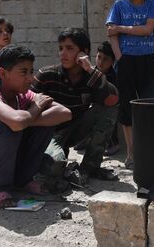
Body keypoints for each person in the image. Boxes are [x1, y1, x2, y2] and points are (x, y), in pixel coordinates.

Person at [0, 44, 72, 208]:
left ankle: (22, 180)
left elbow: (64, 113)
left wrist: (27, 119)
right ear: (3, 73)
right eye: (23, 72)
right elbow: (16, 121)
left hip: (4, 159)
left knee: (42, 121)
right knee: (10, 124)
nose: (30, 78)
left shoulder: (23, 95)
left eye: (31, 71)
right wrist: (33, 110)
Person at [31, 28, 119, 185]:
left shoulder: (90, 77)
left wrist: (91, 69)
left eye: (69, 48)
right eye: (60, 48)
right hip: (48, 134)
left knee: (109, 109)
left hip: (76, 131)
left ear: (83, 52)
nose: (63, 53)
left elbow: (112, 99)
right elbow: (25, 105)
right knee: (53, 167)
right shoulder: (46, 75)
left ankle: (87, 168)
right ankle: (63, 165)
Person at [106, 0, 154, 169]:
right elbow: (111, 35)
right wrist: (120, 58)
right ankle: (131, 154)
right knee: (126, 109)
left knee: (151, 106)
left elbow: (148, 30)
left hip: (147, 61)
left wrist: (121, 28)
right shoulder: (118, 6)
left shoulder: (152, 5)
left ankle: (151, 150)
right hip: (126, 62)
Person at [73, 41, 120, 156]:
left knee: (107, 112)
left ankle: (114, 144)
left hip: (108, 107)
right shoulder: (91, 70)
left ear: (112, 62)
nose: (100, 62)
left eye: (105, 59)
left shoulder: (112, 76)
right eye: (99, 57)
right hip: (93, 105)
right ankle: (85, 138)